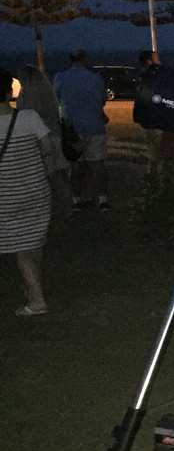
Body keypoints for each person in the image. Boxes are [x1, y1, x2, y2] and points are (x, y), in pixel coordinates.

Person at [1, 67, 55, 317]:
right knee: (34, 244)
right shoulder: (29, 117)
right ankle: (33, 287)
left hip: (6, 198)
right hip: (36, 191)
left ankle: (36, 299)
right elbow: (46, 148)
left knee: (21, 248)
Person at [52, 49, 109, 210]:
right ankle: (102, 199)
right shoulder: (96, 79)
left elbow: (55, 98)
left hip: (73, 130)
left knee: (76, 165)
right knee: (98, 165)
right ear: (84, 59)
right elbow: (102, 100)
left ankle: (76, 200)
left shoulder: (60, 78)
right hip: (94, 126)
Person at [16, 65, 71, 218]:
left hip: (39, 140)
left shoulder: (24, 99)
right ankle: (68, 208)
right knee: (61, 176)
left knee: (47, 177)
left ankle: (49, 210)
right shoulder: (49, 95)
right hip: (56, 136)